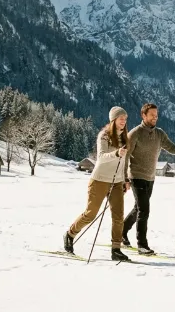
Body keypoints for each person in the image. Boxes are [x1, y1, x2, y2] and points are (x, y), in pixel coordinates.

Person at [122, 103, 175, 255]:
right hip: (136, 176)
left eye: (156, 115)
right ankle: (142, 245)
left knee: (138, 209)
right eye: (152, 115)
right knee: (144, 210)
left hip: (150, 177)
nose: (155, 118)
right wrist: (125, 179)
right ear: (144, 115)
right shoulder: (135, 133)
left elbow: (173, 148)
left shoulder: (160, 134)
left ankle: (121, 232)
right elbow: (125, 157)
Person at [64, 106, 131, 261]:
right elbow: (101, 157)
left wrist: (126, 179)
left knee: (118, 216)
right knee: (91, 213)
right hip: (100, 179)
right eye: (121, 118)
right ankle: (70, 234)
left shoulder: (125, 137)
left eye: (125, 119)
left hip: (117, 181)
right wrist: (116, 153)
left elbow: (125, 161)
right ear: (113, 119)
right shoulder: (104, 136)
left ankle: (116, 249)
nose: (124, 121)